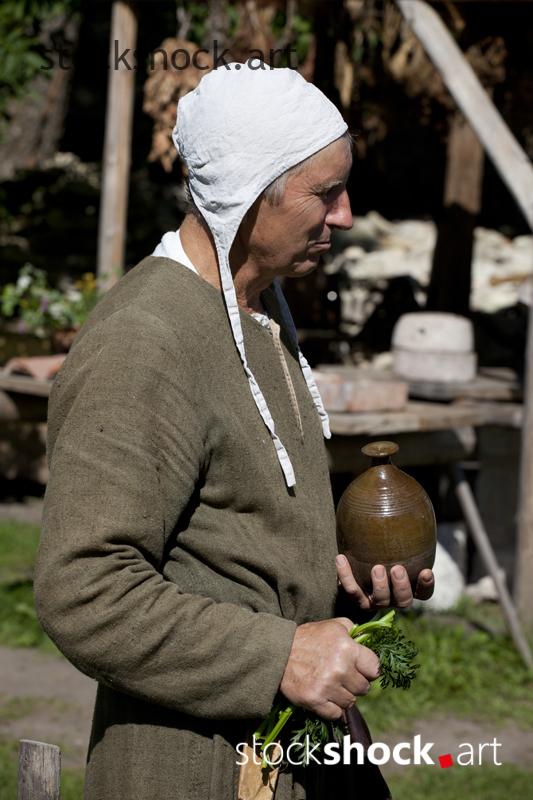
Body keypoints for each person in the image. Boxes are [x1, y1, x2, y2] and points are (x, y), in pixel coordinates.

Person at [34, 64, 434, 800]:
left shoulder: (256, 308)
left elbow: (234, 540)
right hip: (196, 769)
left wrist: (335, 583)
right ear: (250, 194)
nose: (344, 215)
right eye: (324, 193)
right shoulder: (145, 342)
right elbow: (82, 588)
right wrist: (276, 654)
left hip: (302, 754)